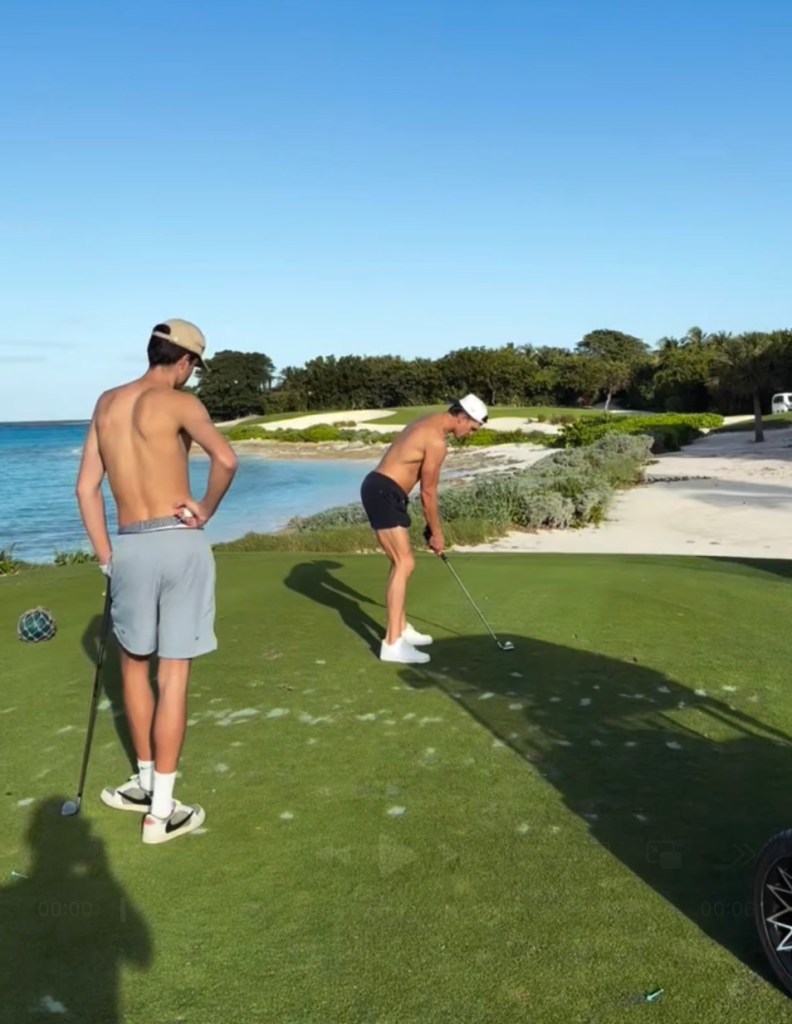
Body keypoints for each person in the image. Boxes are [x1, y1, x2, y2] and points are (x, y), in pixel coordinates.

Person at [75, 319, 238, 845]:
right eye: (194, 365)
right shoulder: (182, 404)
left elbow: (86, 489)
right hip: (178, 540)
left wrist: (106, 556)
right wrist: (206, 509)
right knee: (173, 678)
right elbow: (226, 459)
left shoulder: (106, 403)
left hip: (129, 546)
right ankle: (162, 813)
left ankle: (144, 784)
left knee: (133, 668)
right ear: (186, 362)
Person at [360, 394, 488, 664]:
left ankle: (401, 628)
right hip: (384, 492)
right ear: (461, 416)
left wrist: (431, 527)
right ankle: (393, 645)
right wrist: (437, 532)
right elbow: (428, 492)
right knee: (404, 562)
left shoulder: (427, 422)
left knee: (399, 562)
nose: (470, 434)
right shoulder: (436, 441)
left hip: (384, 490)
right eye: (472, 428)